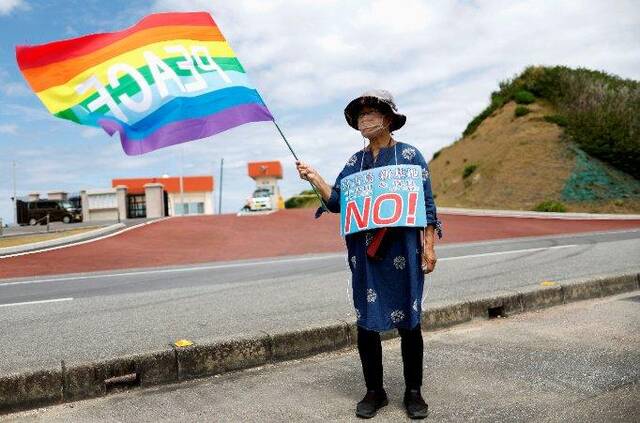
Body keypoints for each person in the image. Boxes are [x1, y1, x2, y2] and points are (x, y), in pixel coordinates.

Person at [296, 89, 443, 419]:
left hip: (404, 249)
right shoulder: (354, 162)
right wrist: (314, 176)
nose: (364, 118)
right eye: (360, 114)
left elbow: (428, 205)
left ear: (388, 119)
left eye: (371, 112)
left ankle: (413, 391)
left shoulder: (410, 156)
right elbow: (336, 203)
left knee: (409, 318)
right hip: (366, 254)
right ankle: (374, 391)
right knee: (366, 322)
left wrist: (429, 247)